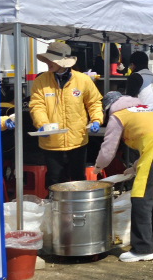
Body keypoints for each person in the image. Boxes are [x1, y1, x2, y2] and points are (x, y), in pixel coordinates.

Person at [93, 92, 153, 262]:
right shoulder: (146, 109)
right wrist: (133, 168)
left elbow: (109, 148)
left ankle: (142, 249)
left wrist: (98, 167)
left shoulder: (118, 115)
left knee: (140, 196)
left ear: (107, 108)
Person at [29, 41, 103, 188]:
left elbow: (94, 102)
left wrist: (96, 120)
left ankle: (77, 209)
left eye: (51, 60)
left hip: (78, 138)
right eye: (47, 59)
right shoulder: (40, 81)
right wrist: (42, 124)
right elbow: (37, 106)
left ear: (63, 62)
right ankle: (55, 208)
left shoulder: (83, 80)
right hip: (51, 140)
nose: (48, 63)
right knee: (54, 179)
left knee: (78, 178)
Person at [126, 51, 153, 116]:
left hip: (145, 118)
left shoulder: (136, 77)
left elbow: (128, 100)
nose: (130, 68)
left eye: (130, 65)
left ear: (133, 64)